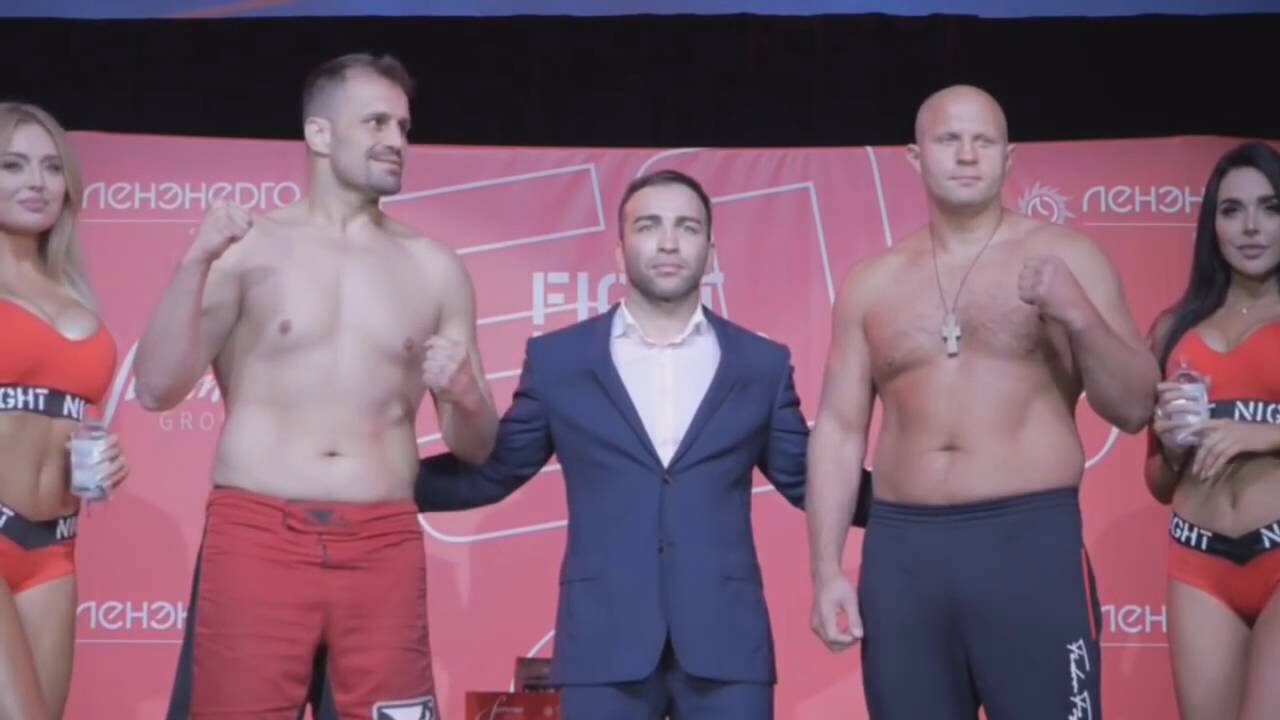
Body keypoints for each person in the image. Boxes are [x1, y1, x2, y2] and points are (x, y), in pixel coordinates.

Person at [141, 53, 498, 719]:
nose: (397, 140)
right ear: (319, 133)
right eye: (376, 122)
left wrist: (467, 395)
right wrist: (194, 262)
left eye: (404, 127)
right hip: (258, 536)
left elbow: (476, 447)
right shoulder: (248, 249)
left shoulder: (434, 268)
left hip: (384, 544)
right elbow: (156, 387)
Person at [806, 84, 1159, 719]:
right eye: (949, 139)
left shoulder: (1066, 256)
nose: (967, 154)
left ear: (1008, 155)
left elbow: (1134, 406)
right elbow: (837, 429)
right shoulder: (872, 282)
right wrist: (827, 569)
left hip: (1029, 543)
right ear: (915, 156)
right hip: (903, 555)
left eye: (983, 140)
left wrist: (1078, 313)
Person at [412, 168, 810, 719]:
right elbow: (496, 470)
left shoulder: (761, 364)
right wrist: (381, 481)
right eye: (649, 226)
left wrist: (914, 502)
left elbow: (808, 479)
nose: (668, 242)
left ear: (711, 252)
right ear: (620, 253)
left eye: (687, 227)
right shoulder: (560, 360)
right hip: (601, 643)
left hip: (727, 644)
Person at [0, 101, 129, 719]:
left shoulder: (74, 293)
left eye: (52, 167)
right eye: (13, 165)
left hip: (53, 548)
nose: (38, 182)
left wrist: (107, 459)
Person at [1145, 140, 1280, 720]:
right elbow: (1157, 482)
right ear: (1211, 225)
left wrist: (1265, 435)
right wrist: (1172, 448)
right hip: (1198, 564)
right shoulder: (1172, 329)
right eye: (1232, 210)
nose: (1251, 226)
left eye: (1270, 208)